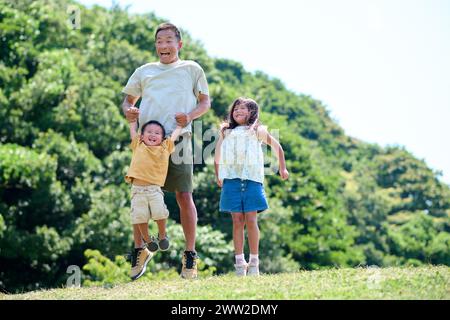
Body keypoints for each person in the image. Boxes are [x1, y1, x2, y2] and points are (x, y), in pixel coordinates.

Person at [121, 22, 210, 279]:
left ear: (179, 44)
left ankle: (190, 256)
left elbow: (205, 103)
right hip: (147, 143)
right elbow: (128, 100)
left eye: (169, 41)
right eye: (159, 41)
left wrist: (189, 117)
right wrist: (129, 110)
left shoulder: (192, 69)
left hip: (179, 139)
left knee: (184, 195)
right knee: (141, 196)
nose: (164, 46)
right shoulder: (144, 71)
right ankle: (140, 250)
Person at [214, 97, 289, 276]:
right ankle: (240, 263)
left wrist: (282, 167)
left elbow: (277, 147)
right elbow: (218, 154)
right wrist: (218, 174)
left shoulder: (257, 131)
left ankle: (254, 261)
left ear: (252, 112)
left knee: (251, 219)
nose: (238, 111)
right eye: (235, 109)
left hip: (252, 180)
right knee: (237, 220)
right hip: (231, 179)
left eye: (243, 108)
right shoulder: (225, 131)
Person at [126, 119, 182, 281]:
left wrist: (179, 126)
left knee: (160, 213)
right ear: (141, 136)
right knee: (139, 217)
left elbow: (173, 137)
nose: (152, 135)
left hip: (154, 189)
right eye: (149, 132)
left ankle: (162, 236)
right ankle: (148, 240)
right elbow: (133, 131)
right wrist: (132, 122)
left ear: (162, 138)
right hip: (137, 190)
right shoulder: (138, 145)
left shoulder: (165, 148)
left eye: (157, 133)